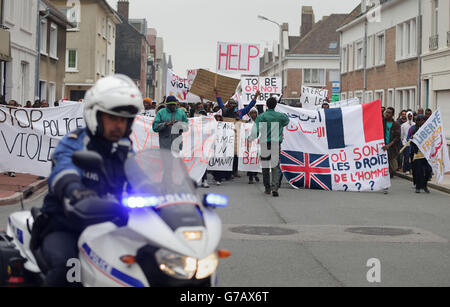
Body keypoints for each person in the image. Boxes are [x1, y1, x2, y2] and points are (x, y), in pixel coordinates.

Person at [40, 74, 143, 286]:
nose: (119, 125)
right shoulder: (75, 142)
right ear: (95, 116)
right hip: (66, 225)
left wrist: (165, 194)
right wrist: (75, 189)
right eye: (113, 118)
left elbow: (138, 177)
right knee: (67, 267)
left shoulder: (125, 147)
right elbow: (63, 169)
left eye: (123, 120)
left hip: (109, 225)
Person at [250, 97, 289, 197]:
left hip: (264, 143)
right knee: (275, 166)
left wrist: (251, 138)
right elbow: (286, 121)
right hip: (276, 143)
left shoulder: (262, 116)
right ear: (275, 105)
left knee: (265, 166)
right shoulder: (280, 116)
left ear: (266, 105)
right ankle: (275, 187)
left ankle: (267, 188)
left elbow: (256, 130)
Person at [410, 115, 432, 193]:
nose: (422, 122)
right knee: (419, 171)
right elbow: (411, 143)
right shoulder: (415, 130)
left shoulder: (429, 130)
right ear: (418, 122)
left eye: (424, 120)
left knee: (428, 171)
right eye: (421, 120)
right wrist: (412, 138)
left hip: (427, 154)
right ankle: (418, 187)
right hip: (418, 154)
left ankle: (425, 185)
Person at [382, 107, 401, 188]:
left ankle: (389, 175)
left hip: (391, 148)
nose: (387, 114)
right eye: (386, 112)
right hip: (381, 148)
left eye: (389, 113)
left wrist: (389, 145)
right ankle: (384, 183)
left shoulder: (396, 124)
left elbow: (397, 137)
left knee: (393, 167)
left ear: (392, 115)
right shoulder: (382, 122)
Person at [246, 107, 260, 184]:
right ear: (250, 114)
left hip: (258, 144)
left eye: (255, 113)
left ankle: (255, 174)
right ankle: (251, 177)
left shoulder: (260, 122)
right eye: (252, 113)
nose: (253, 114)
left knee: (257, 160)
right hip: (250, 143)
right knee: (250, 160)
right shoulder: (247, 123)